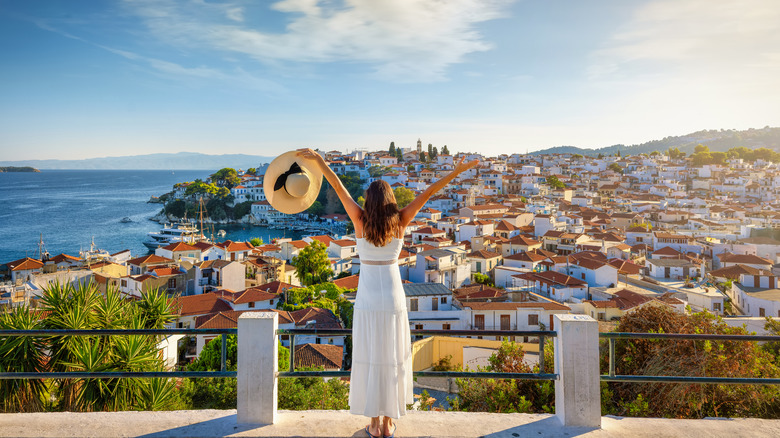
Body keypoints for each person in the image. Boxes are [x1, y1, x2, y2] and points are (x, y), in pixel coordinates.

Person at [296, 148, 478, 438]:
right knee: (390, 356)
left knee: (370, 355)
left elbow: (338, 186)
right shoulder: (402, 220)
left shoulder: (359, 219)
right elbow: (429, 192)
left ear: (369, 200)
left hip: (367, 298)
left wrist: (319, 161)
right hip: (393, 297)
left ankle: (373, 422)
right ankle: (387, 422)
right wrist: (456, 172)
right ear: (391, 200)